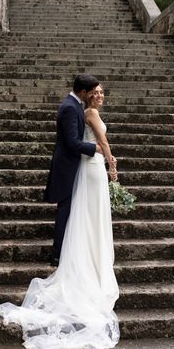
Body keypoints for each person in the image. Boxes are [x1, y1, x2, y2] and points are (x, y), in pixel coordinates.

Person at [0, 83, 119, 349]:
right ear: (86, 92)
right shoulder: (81, 110)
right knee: (88, 214)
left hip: (88, 166)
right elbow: (97, 141)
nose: (98, 96)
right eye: (95, 91)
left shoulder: (80, 108)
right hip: (91, 165)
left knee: (87, 214)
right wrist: (111, 162)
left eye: (102, 92)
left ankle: (82, 253)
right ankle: (79, 256)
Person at [43, 74, 102, 267]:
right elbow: (72, 143)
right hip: (67, 168)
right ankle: (57, 255)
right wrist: (95, 149)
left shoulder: (75, 105)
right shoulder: (69, 107)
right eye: (91, 92)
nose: (93, 96)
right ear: (83, 92)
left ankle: (64, 251)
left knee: (70, 211)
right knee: (65, 211)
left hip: (72, 166)